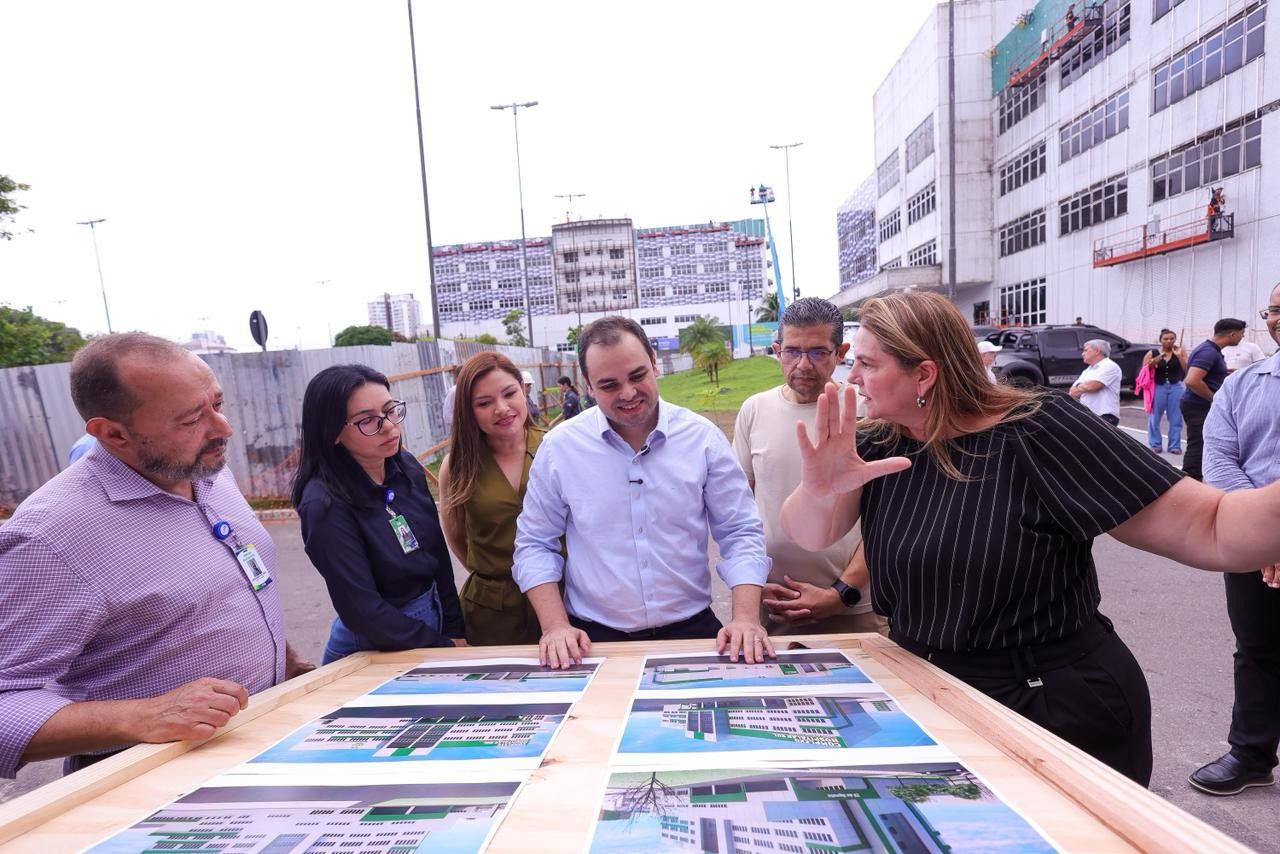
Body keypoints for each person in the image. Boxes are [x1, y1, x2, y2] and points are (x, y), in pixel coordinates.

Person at [779, 290, 1280, 786]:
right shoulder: (879, 442)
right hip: (930, 695)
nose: (851, 377)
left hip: (1050, 706)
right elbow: (809, 534)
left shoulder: (1039, 430)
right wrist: (820, 488)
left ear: (924, 375)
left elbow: (1212, 527)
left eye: (867, 365)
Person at [0, 333, 312, 780]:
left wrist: (281, 658)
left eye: (217, 405)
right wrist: (142, 716)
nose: (223, 429)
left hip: (262, 740)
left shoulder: (204, 471)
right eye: (191, 420)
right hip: (153, 782)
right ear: (113, 434)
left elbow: (220, 597)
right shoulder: (52, 535)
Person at [513, 316, 773, 668]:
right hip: (592, 640)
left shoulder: (702, 439)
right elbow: (534, 543)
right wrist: (555, 626)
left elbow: (740, 532)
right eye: (609, 385)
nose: (628, 393)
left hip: (693, 631)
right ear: (588, 385)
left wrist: (745, 618)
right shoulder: (560, 448)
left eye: (637, 376)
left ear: (654, 362)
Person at [292, 365, 464, 664]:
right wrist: (442, 645)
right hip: (372, 647)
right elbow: (363, 610)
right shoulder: (325, 505)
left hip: (429, 624)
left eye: (390, 411)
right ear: (332, 432)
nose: (388, 426)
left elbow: (437, 555)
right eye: (367, 420)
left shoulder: (405, 467)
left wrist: (454, 627)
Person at [733, 298, 882, 636]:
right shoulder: (754, 410)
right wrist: (754, 585)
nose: (802, 364)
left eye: (817, 352)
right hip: (775, 604)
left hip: (853, 609)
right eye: (791, 351)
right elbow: (738, 514)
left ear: (840, 353)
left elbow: (888, 520)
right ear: (776, 350)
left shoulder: (865, 412)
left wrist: (840, 593)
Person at [1189, 288, 1280, 796]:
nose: (1279, 318)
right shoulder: (1241, 386)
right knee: (1256, 648)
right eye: (1275, 310)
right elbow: (1220, 462)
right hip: (1251, 545)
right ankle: (1251, 754)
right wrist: (1265, 539)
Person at [438, 352, 547, 646]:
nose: (501, 408)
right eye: (484, 403)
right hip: (490, 615)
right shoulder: (457, 465)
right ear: (468, 410)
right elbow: (457, 537)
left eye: (509, 393)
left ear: (523, 391)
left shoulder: (556, 448)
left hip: (563, 604)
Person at [1181, 318, 1247, 480]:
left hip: (1197, 404)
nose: (1242, 337)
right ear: (1232, 334)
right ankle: (1191, 480)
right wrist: (1214, 399)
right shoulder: (1208, 352)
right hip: (1198, 405)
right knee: (1198, 443)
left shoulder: (1210, 350)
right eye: (1242, 333)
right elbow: (1192, 381)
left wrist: (1223, 372)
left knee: (1203, 442)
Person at [1143, 329, 1187, 453]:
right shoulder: (1152, 353)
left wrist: (1179, 356)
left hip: (1176, 387)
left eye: (1172, 338)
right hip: (1158, 386)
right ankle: (1155, 444)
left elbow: (1186, 369)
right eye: (1166, 339)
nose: (1169, 341)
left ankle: (1174, 446)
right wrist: (1158, 358)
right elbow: (1145, 370)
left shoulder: (1180, 351)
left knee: (1176, 417)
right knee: (1155, 417)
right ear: (1160, 340)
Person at [1068, 339, 1122, 425]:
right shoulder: (1088, 370)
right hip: (1088, 416)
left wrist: (1080, 386)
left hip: (1105, 417)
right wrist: (1084, 386)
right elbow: (1072, 392)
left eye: (1086, 350)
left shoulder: (1110, 366)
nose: (1082, 354)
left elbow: (1092, 386)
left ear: (1097, 351)